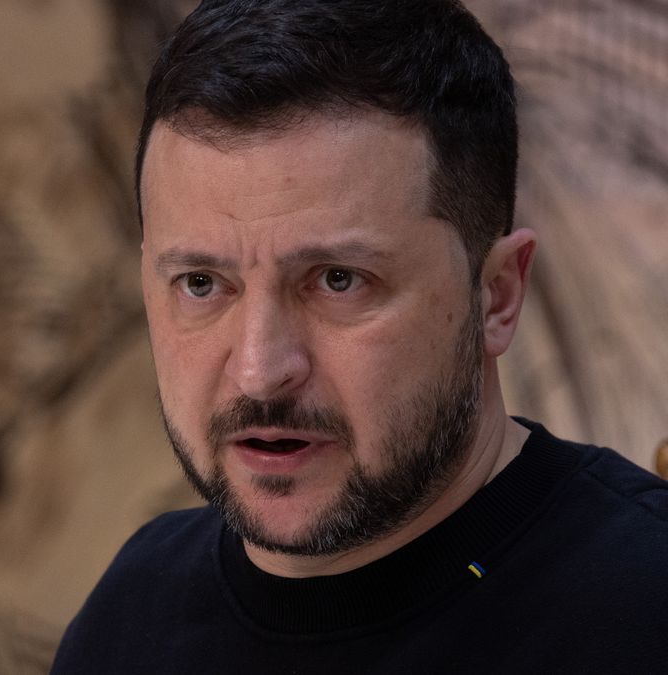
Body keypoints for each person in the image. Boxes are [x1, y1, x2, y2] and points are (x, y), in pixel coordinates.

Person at [50, 0, 668, 672]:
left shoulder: (644, 606)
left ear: (496, 295)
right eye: (202, 283)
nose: (260, 369)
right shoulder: (132, 612)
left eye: (338, 279)